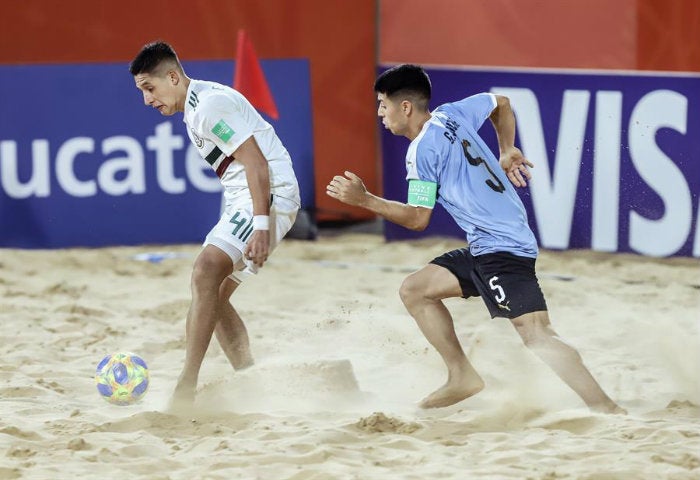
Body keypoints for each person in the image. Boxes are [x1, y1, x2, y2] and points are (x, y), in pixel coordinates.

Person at [326, 64, 624, 413]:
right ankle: (461, 375)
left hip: (503, 249)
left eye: (383, 104)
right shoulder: (451, 114)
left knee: (537, 335)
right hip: (488, 244)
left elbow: (418, 218)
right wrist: (507, 148)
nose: (380, 112)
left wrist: (365, 200)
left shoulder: (422, 151)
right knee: (415, 290)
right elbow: (501, 102)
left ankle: (605, 407)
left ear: (405, 107)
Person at [129, 41, 300, 406]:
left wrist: (261, 226)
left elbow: (256, 163)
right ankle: (250, 379)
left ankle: (185, 385)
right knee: (214, 297)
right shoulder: (196, 105)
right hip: (248, 195)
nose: (147, 100)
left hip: (272, 193)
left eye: (149, 88)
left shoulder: (208, 107)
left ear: (173, 77)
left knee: (206, 270)